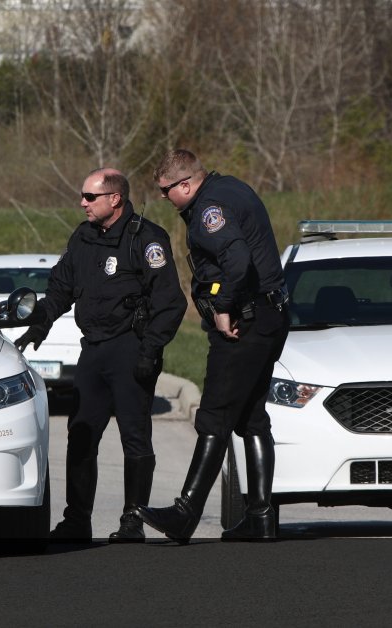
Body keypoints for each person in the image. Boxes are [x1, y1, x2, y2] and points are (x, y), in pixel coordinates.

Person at [16, 168, 186, 543]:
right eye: (83, 196)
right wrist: (41, 323)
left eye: (90, 197)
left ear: (115, 199)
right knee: (80, 434)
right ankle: (77, 520)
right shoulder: (83, 236)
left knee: (134, 437)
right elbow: (60, 288)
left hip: (131, 349)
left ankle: (133, 520)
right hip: (93, 350)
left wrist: (151, 350)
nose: (83, 203)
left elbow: (171, 302)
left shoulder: (146, 238)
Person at [136, 149, 290, 543]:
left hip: (244, 322)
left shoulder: (209, 210)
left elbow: (237, 260)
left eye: (167, 190)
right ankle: (260, 517)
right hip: (270, 316)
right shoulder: (232, 188)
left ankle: (185, 513)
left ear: (186, 184)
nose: (164, 198)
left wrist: (222, 308)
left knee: (215, 416)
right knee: (251, 418)